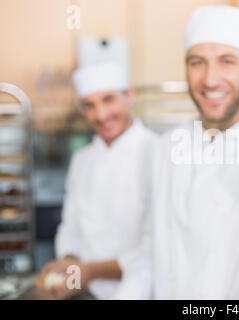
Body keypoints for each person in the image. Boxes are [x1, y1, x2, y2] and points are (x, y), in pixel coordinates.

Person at [114, 5, 239, 299]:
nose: (210, 79)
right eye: (197, 63)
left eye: (226, 61)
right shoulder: (166, 148)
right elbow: (149, 251)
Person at [36, 62, 159, 299]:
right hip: (88, 292)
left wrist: (88, 272)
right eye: (89, 105)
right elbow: (71, 226)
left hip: (143, 292)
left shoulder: (156, 153)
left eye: (109, 99)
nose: (101, 115)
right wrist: (69, 264)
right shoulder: (82, 160)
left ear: (129, 95)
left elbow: (155, 246)